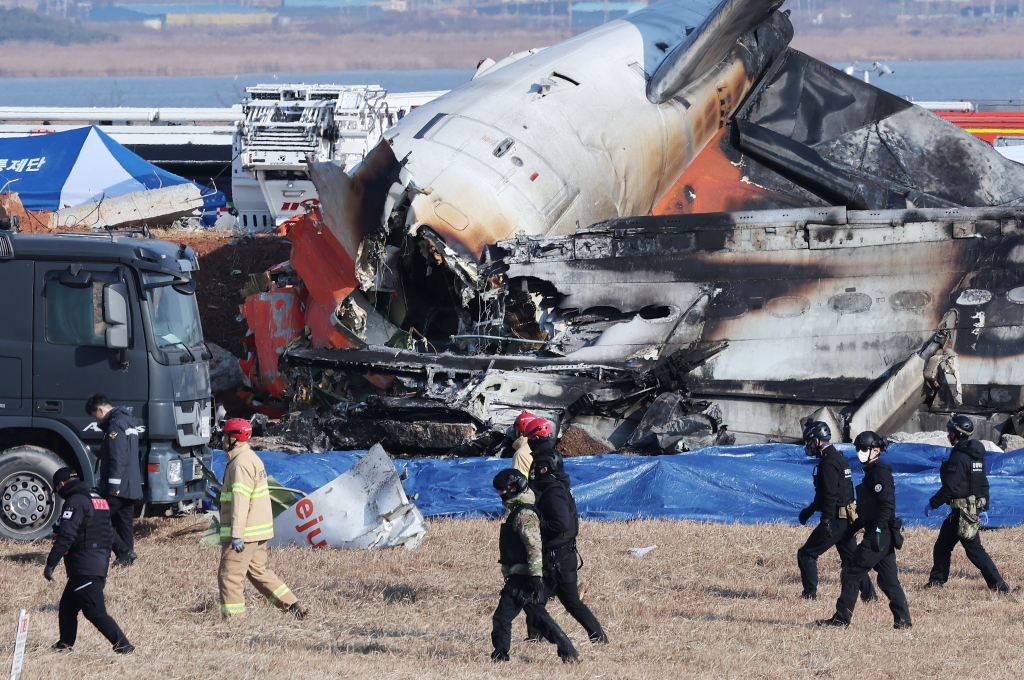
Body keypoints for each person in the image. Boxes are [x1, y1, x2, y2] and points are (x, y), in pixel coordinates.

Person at [816, 431, 912, 629]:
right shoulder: (872, 472)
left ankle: (841, 620)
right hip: (879, 532)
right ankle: (903, 622)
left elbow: (887, 506)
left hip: (880, 534)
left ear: (876, 450)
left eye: (864, 449)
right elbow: (869, 509)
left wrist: (876, 531)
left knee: (851, 572)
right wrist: (854, 527)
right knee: (888, 580)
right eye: (858, 449)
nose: (860, 453)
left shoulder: (880, 473)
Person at [218, 418, 309, 620]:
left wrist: (237, 534)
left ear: (235, 438)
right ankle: (294, 605)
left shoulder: (240, 464)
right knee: (258, 572)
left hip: (245, 534)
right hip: (259, 530)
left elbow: (240, 502)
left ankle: (234, 621)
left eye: (225, 435)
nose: (223, 439)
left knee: (230, 576)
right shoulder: (251, 458)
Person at [490, 468, 578, 663]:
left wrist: (536, 576)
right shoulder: (518, 510)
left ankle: (500, 657)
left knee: (502, 618)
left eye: (503, 490)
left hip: (523, 576)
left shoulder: (524, 515)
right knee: (539, 618)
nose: (500, 494)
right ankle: (568, 651)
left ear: (514, 488)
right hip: (524, 574)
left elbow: (534, 546)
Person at [44, 467, 134, 654]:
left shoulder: (75, 501)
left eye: (56, 489)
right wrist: (123, 551)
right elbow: (109, 531)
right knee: (67, 607)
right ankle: (64, 645)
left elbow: (66, 536)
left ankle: (124, 647)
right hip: (96, 563)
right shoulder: (97, 498)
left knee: (95, 612)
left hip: (84, 566)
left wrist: (51, 562)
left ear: (61, 485)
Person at [531, 442, 609, 644]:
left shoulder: (553, 491)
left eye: (537, 465)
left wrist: (534, 525)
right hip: (559, 556)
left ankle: (537, 639)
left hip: (557, 558)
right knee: (564, 602)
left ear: (545, 468)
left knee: (539, 601)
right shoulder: (551, 487)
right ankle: (599, 638)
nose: (534, 469)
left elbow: (560, 523)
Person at [923, 414, 1010, 593]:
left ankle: (999, 586)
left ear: (955, 434)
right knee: (942, 546)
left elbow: (951, 487)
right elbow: (983, 483)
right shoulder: (976, 456)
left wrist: (933, 503)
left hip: (962, 513)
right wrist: (983, 507)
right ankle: (936, 581)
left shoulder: (959, 457)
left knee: (975, 551)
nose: (948, 434)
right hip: (966, 511)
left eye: (950, 431)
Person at [796, 421, 876, 602]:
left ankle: (809, 595)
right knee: (852, 562)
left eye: (809, 441)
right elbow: (833, 492)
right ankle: (870, 596)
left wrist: (825, 522)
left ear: (817, 441)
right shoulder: (839, 458)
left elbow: (830, 496)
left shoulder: (828, 463)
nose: (808, 446)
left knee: (806, 554)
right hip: (847, 519)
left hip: (835, 519)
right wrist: (809, 511)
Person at [86, 393, 142, 568]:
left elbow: (117, 457)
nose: (96, 421)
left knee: (98, 519)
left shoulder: (114, 425)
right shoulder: (128, 421)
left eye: (95, 416)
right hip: (131, 485)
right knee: (124, 521)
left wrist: (113, 484)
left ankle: (124, 551)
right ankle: (127, 557)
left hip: (118, 486)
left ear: (101, 409)